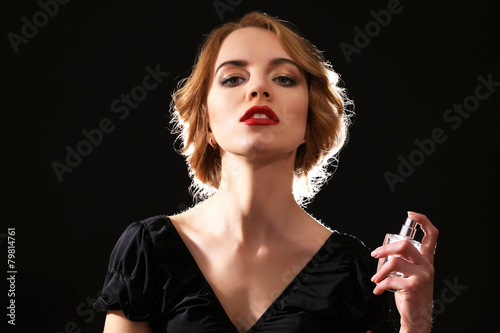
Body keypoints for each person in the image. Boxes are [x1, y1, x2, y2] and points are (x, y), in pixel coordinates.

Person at [94, 11, 438, 333]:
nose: (258, 89)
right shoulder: (148, 252)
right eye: (232, 78)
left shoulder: (353, 271)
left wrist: (416, 322)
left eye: (284, 78)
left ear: (309, 119)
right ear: (206, 122)